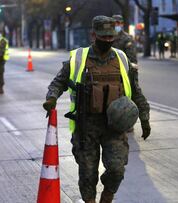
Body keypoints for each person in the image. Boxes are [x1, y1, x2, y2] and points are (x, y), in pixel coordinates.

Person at [42, 16, 151, 203]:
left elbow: (135, 90)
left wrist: (144, 117)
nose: (108, 41)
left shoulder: (122, 58)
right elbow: (59, 81)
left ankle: (107, 197)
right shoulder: (78, 58)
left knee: (117, 169)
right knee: (87, 174)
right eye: (104, 37)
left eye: (111, 37)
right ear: (93, 35)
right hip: (86, 126)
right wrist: (51, 98)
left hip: (114, 127)